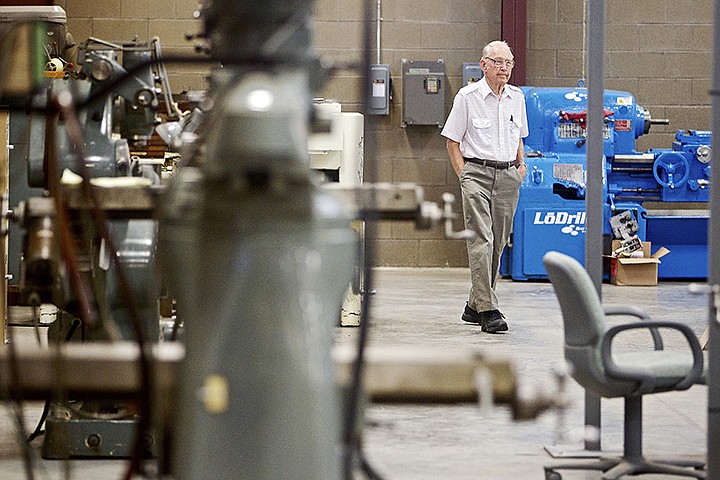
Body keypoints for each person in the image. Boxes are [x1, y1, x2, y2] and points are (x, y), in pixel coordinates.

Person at [440, 40, 528, 333]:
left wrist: (520, 165)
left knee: (498, 243)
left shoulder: (517, 97)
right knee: (482, 239)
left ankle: (472, 305)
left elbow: (519, 137)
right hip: (476, 173)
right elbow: (452, 140)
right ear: (484, 65)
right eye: (498, 62)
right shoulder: (467, 97)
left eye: (508, 63)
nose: (504, 68)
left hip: (507, 177)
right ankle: (489, 309)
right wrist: (463, 175)